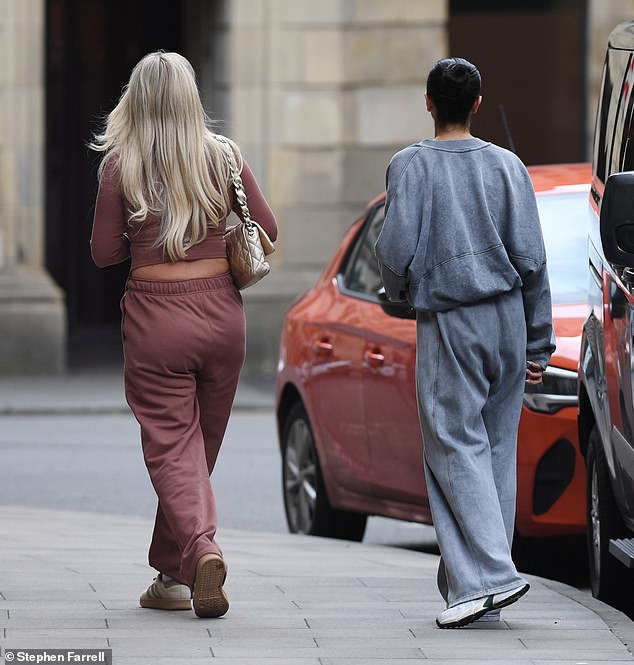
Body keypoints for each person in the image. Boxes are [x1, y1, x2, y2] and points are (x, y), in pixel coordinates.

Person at [89, 51, 277, 618]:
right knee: (196, 452)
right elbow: (266, 229)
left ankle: (201, 551)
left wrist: (135, 238)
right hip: (223, 316)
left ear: (136, 100)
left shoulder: (121, 165)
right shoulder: (224, 157)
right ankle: (173, 578)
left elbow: (102, 253)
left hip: (157, 320)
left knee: (173, 450)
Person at [375, 57, 554, 629]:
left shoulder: (410, 166)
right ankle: (475, 591)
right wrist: (538, 345)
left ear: (428, 103)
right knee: (496, 451)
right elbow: (533, 260)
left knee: (452, 448)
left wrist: (398, 291)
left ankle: (490, 579)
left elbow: (396, 250)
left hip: (451, 320)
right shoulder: (509, 166)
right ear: (477, 104)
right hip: (507, 319)